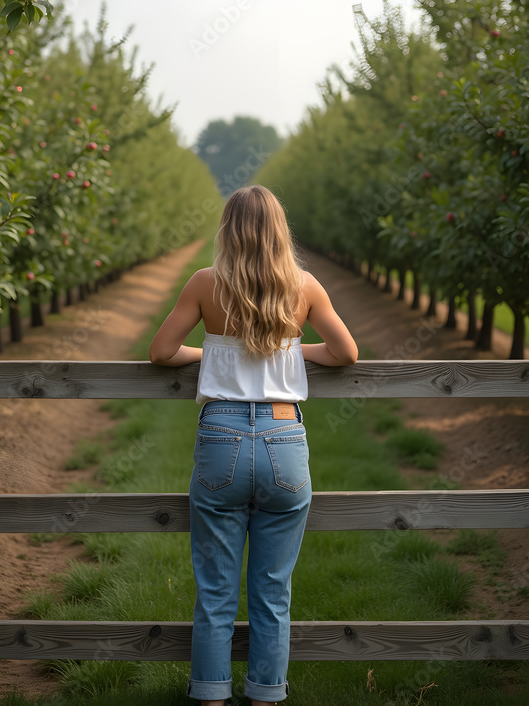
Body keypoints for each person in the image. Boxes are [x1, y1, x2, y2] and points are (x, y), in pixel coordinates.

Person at [148, 184, 358, 706]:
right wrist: (289, 350)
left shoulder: (204, 284)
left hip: (221, 434)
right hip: (284, 435)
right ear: (278, 231)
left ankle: (211, 696)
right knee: (272, 591)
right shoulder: (304, 286)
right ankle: (266, 694)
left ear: (228, 230)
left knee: (216, 592)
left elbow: (161, 351)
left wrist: (215, 355)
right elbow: (344, 352)